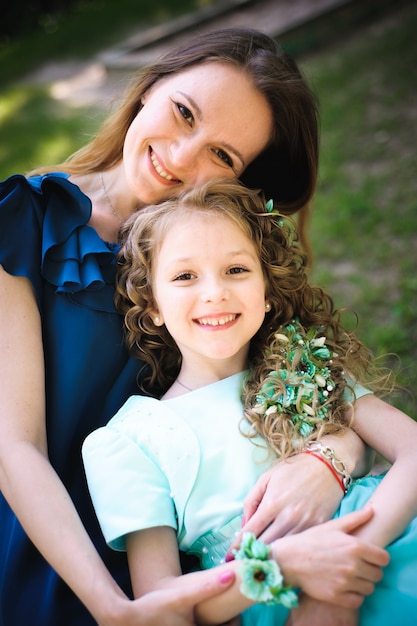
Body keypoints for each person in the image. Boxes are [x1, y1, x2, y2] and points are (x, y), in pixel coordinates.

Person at [0, 28, 372, 626]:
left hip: (193, 543)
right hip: (53, 546)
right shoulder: (24, 219)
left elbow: (310, 386)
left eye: (222, 156)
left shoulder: (217, 262)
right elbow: (14, 447)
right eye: (183, 113)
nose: (180, 156)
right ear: (149, 87)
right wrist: (113, 607)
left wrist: (332, 455)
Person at [82, 178, 417, 626]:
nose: (215, 292)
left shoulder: (306, 364)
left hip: (392, 540)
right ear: (152, 304)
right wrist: (288, 567)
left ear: (266, 289)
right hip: (269, 599)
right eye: (184, 276)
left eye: (236, 270)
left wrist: (352, 558)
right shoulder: (127, 442)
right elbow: (161, 602)